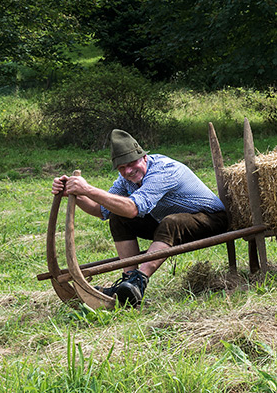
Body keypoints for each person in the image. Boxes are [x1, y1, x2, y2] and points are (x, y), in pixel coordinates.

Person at [51, 129, 227, 307]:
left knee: (171, 222)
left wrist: (88, 189)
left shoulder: (164, 169)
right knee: (118, 217)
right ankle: (127, 284)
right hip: (168, 224)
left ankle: (138, 282)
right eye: (121, 168)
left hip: (212, 219)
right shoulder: (126, 179)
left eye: (132, 163)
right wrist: (76, 194)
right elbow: (102, 210)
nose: (128, 171)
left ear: (144, 157)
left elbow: (133, 208)